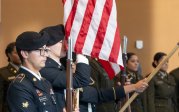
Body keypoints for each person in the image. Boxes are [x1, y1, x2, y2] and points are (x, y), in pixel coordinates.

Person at [60, 55, 148, 112]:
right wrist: (132, 87)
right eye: (75, 64)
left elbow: (105, 91)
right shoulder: (93, 66)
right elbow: (99, 94)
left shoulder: (101, 66)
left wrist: (122, 88)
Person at [39, 24, 91, 112]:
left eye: (65, 41)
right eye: (61, 42)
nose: (66, 45)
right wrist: (80, 52)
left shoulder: (61, 65)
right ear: (47, 46)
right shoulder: (44, 68)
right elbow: (81, 80)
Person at [7, 31, 58, 112]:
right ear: (25, 54)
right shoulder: (19, 86)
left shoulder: (45, 82)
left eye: (46, 50)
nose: (46, 54)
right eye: (41, 50)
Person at [0, 42, 21, 112]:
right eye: (16, 53)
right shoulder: (2, 73)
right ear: (9, 55)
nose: (20, 55)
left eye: (21, 52)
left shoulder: (28, 71)